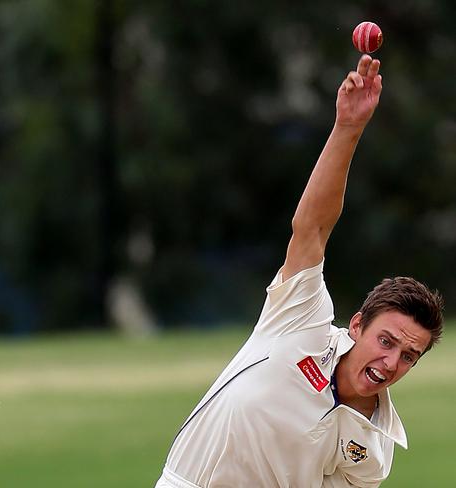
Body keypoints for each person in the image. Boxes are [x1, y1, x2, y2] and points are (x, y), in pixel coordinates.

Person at [155, 55, 444, 488]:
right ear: (357, 325)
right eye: (386, 342)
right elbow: (312, 228)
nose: (390, 363)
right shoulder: (301, 319)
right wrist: (348, 129)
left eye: (408, 356)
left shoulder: (375, 449)